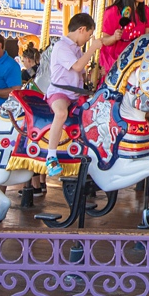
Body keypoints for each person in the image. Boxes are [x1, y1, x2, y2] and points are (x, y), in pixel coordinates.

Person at [44, 14, 100, 177]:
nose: (88, 39)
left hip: (75, 94)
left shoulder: (75, 49)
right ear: (81, 30)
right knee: (61, 113)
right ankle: (51, 156)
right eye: (88, 35)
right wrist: (92, 48)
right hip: (60, 93)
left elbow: (81, 74)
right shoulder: (62, 46)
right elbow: (76, 66)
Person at [98, 0, 149, 76]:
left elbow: (147, 37)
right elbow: (105, 41)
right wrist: (114, 37)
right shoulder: (113, 11)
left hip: (136, 57)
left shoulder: (145, 11)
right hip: (115, 59)